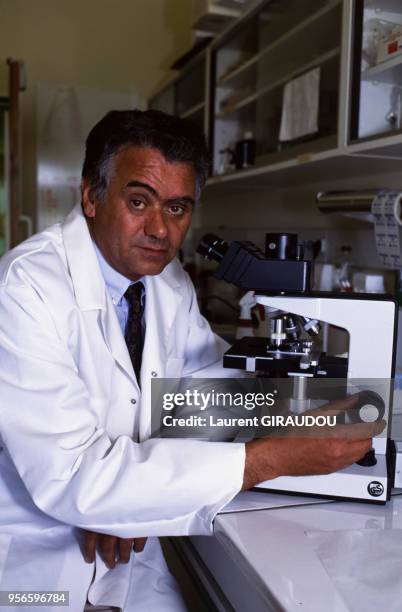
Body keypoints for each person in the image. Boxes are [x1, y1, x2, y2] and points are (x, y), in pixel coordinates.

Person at [0, 110, 380, 612]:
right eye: (139, 202)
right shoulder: (23, 289)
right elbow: (72, 476)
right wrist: (269, 460)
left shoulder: (166, 278)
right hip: (38, 568)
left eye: (178, 208)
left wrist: (310, 405)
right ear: (90, 196)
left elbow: (195, 393)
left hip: (129, 552)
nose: (160, 228)